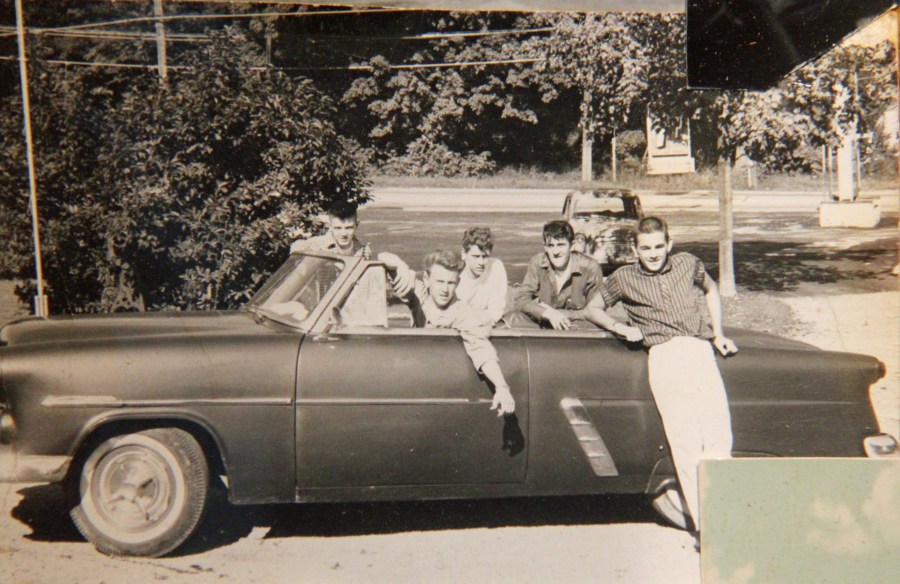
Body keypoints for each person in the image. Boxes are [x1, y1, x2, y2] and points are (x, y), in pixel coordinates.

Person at [585, 216, 738, 535]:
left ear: (669, 244)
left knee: (718, 436)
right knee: (685, 443)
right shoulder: (624, 277)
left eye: (658, 246)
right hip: (665, 357)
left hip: (699, 350)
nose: (653, 253)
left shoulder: (687, 263)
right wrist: (620, 327)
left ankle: (726, 519)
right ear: (634, 248)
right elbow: (592, 308)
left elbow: (710, 290)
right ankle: (707, 529)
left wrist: (718, 333)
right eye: (645, 248)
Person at [390, 249, 515, 416]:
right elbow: (385, 259)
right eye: (439, 281)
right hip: (414, 372)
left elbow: (481, 349)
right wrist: (401, 265)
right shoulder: (420, 294)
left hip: (441, 377)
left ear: (457, 283)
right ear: (427, 279)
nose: (444, 289)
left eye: (450, 283)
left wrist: (501, 386)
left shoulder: (462, 312)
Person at [290, 200, 415, 297]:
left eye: (348, 228)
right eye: (338, 228)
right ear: (330, 226)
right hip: (319, 313)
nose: (343, 234)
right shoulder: (318, 245)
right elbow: (295, 248)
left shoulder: (362, 251)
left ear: (357, 224)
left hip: (348, 313)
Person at [511, 220, 604, 330]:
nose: (555, 252)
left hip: (577, 329)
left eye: (561, 245)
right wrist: (547, 313)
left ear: (572, 245)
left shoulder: (590, 268)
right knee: (512, 319)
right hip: (544, 325)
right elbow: (521, 300)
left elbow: (596, 311)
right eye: (551, 245)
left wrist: (558, 314)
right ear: (545, 247)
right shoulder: (537, 262)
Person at [456, 227, 508, 326]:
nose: (481, 263)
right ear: (464, 254)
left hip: (483, 324)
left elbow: (496, 312)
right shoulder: (455, 273)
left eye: (485, 257)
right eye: (476, 256)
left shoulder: (496, 266)